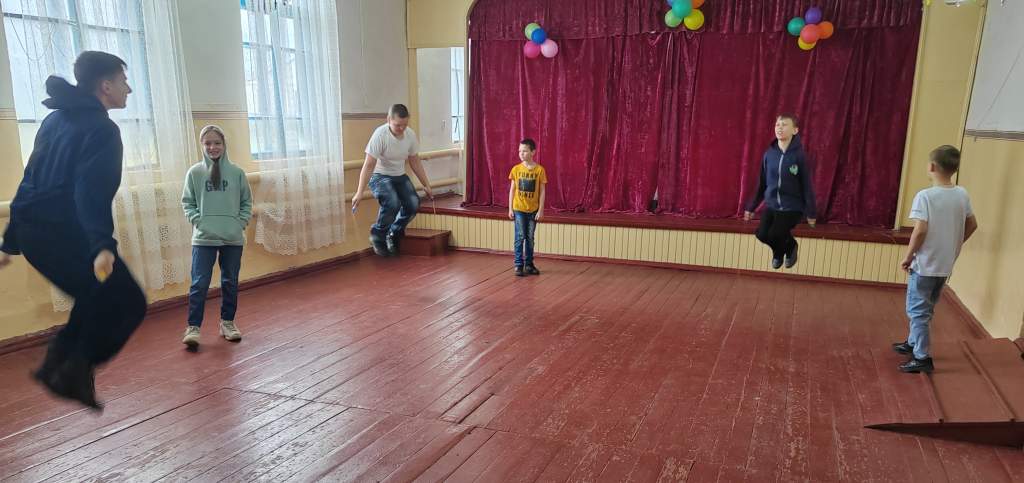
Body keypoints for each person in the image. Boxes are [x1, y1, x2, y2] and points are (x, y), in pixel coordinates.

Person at [0, 51, 146, 410]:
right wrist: (102, 245)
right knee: (129, 302)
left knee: (94, 294)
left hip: (36, 235)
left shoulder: (55, 120)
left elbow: (31, 178)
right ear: (105, 85)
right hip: (62, 234)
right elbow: (90, 191)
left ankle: (60, 364)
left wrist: (11, 239)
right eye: (123, 81)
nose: (128, 89)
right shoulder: (103, 130)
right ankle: (71, 369)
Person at [892, 145, 978, 373]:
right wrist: (955, 243)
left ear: (931, 167)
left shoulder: (925, 196)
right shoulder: (962, 194)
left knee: (917, 311)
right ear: (955, 168)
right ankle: (912, 342)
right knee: (926, 307)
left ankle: (921, 357)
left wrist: (908, 256)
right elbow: (972, 224)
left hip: (925, 265)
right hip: (945, 265)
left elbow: (920, 231)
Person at [180, 125, 252, 350]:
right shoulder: (194, 173)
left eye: (217, 143)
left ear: (224, 145)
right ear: (202, 146)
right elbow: (187, 202)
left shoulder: (237, 173)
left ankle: (227, 323)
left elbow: (246, 202)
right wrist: (199, 222)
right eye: (208, 143)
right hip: (204, 238)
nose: (213, 147)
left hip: (232, 237)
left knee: (230, 281)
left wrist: (239, 223)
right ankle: (193, 327)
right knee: (199, 283)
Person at [351, 104, 433, 256]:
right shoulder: (380, 135)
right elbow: (369, 165)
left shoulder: (410, 135)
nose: (401, 129)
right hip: (379, 176)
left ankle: (394, 232)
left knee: (413, 203)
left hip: (399, 175)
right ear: (388, 119)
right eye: (397, 125)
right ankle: (377, 236)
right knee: (393, 202)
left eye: (404, 125)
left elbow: (415, 161)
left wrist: (426, 185)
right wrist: (359, 192)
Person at [744, 113, 817, 269]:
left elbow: (807, 186)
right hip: (772, 205)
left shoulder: (800, 156)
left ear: (795, 130)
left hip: (793, 207)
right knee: (761, 234)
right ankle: (786, 247)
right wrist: (751, 207)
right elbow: (761, 183)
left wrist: (811, 212)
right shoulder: (769, 155)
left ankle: (784, 250)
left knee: (775, 234)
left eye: (784, 125)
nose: (780, 128)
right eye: (777, 125)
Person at [507, 138, 547, 276]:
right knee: (520, 236)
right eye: (520, 151)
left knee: (530, 237)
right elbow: (512, 190)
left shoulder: (540, 170)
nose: (521, 154)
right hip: (519, 209)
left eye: (524, 151)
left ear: (533, 152)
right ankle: (518, 265)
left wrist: (541, 210)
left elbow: (542, 191)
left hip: (533, 210)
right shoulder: (516, 169)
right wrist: (510, 208)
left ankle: (529, 264)